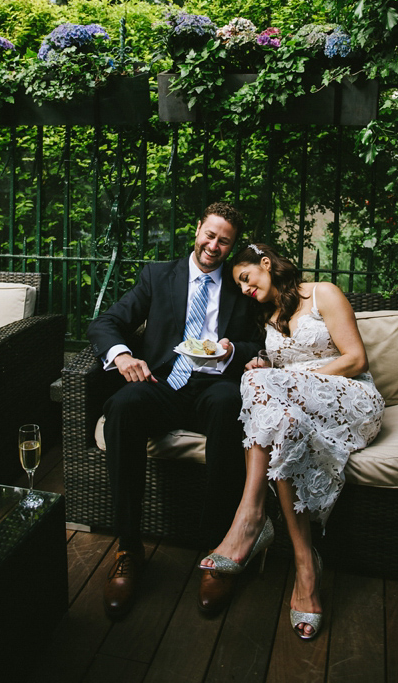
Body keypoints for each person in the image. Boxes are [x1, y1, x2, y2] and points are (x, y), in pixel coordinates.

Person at [198, 242, 385, 639]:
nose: (246, 289)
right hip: (300, 410)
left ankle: (250, 517)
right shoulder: (269, 318)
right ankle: (305, 565)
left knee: (258, 385)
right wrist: (266, 365)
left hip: (350, 398)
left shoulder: (323, 292)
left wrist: (283, 378)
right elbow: (282, 374)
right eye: (240, 286)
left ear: (266, 263)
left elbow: (355, 359)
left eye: (246, 277)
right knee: (281, 423)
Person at [87, 201, 264, 620]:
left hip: (213, 387)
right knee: (125, 406)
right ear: (198, 228)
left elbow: (266, 340)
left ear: (232, 247)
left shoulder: (241, 284)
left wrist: (237, 349)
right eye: (210, 234)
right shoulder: (158, 274)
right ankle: (129, 547)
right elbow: (106, 322)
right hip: (163, 385)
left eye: (224, 241)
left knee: (229, 404)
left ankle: (217, 550)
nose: (214, 245)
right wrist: (123, 355)